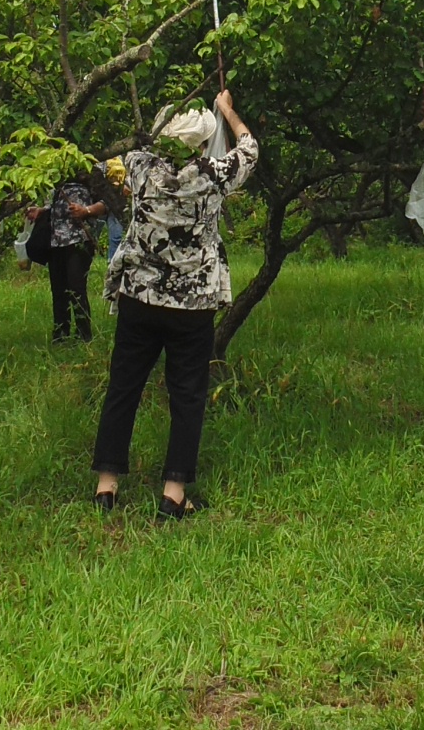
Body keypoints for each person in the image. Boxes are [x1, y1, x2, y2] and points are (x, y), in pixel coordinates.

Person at [90, 90, 257, 520]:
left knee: (123, 386)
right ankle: (173, 494)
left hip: (139, 297)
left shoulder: (142, 166)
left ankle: (106, 488)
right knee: (186, 395)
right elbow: (250, 149)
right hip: (192, 305)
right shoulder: (213, 174)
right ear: (203, 142)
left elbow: (109, 164)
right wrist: (228, 112)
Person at [28, 169, 108, 344]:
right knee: (58, 290)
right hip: (56, 240)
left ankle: (84, 336)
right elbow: (54, 206)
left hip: (79, 240)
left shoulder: (91, 169)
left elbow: (107, 202)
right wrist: (41, 211)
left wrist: (86, 210)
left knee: (76, 289)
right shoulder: (55, 171)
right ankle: (60, 334)